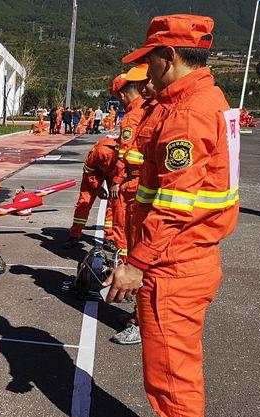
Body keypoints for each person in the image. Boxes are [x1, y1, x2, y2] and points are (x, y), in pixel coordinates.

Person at [105, 14, 239, 417]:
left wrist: (135, 263)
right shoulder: (200, 101)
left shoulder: (188, 112)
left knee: (171, 369)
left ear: (168, 56)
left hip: (174, 262)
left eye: (148, 60)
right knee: (171, 365)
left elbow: (173, 204)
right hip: (188, 256)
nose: (146, 72)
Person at [109, 65, 164, 346]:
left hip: (137, 188)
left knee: (140, 252)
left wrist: (118, 178)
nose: (146, 88)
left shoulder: (138, 115)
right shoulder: (152, 111)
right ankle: (142, 317)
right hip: (141, 188)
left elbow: (129, 155)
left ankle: (142, 321)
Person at [108, 66, 149, 260]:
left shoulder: (132, 116)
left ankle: (123, 264)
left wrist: (116, 179)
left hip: (131, 181)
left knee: (122, 225)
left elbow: (124, 153)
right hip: (147, 179)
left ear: (123, 95)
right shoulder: (150, 109)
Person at [62, 135, 117, 249]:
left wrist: (117, 184)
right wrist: (98, 188)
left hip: (115, 175)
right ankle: (74, 235)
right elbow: (88, 169)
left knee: (114, 206)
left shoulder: (129, 151)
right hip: (94, 172)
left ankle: (109, 239)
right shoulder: (102, 151)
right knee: (84, 203)